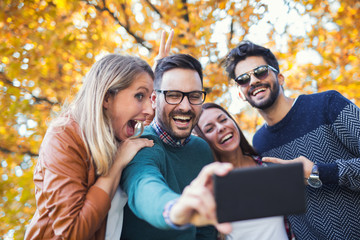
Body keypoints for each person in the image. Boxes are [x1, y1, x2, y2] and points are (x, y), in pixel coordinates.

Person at [225, 40, 360, 239]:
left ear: (280, 78)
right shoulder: (260, 143)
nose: (252, 81)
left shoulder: (328, 104)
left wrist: (319, 172)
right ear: (240, 93)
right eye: (243, 79)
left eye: (260, 71)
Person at [24, 54, 155, 240]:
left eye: (151, 98)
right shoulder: (64, 138)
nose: (149, 109)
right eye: (140, 96)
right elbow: (72, 233)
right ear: (107, 98)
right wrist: (115, 166)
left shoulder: (120, 135)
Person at [120, 53, 229, 239]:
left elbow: (204, 229)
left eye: (194, 96)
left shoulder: (201, 149)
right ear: (154, 99)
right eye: (173, 95)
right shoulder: (141, 143)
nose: (185, 106)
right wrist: (174, 209)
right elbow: (142, 184)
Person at [193, 102, 293, 240]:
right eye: (210, 129)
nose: (221, 128)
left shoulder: (267, 166)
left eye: (223, 120)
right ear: (203, 140)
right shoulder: (210, 186)